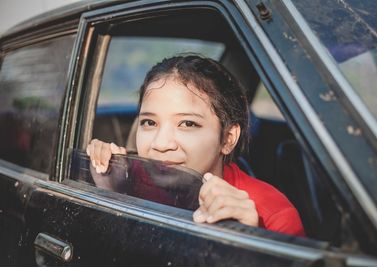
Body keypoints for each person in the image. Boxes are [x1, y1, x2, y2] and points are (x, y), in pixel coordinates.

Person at [86, 55, 305, 236]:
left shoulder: (273, 216)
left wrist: (249, 243)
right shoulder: (127, 177)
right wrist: (111, 193)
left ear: (228, 138)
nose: (160, 144)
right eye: (149, 122)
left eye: (188, 123)